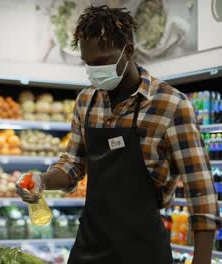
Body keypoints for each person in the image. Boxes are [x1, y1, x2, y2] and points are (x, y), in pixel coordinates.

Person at [16, 5, 219, 264]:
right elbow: (73, 164)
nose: (95, 71)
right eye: (88, 64)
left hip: (144, 250)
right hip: (90, 246)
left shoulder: (170, 105)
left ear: (129, 52)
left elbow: (200, 191)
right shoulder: (86, 101)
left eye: (103, 62)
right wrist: (42, 179)